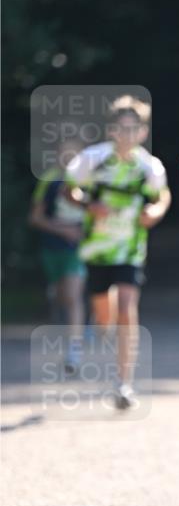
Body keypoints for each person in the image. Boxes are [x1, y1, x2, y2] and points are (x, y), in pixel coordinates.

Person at [65, 95, 171, 409]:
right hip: (97, 251)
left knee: (127, 310)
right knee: (105, 317)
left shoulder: (148, 166)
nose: (126, 135)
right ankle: (100, 345)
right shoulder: (91, 159)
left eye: (132, 129)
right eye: (120, 128)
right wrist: (88, 204)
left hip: (130, 250)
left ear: (142, 132)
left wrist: (155, 212)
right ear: (111, 130)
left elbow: (162, 197)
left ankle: (123, 384)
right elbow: (68, 190)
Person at [28, 136, 87, 373]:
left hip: (78, 250)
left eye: (74, 155)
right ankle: (58, 304)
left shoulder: (89, 181)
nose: (70, 159)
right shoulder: (49, 181)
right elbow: (35, 218)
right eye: (65, 154)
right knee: (62, 296)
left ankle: (74, 349)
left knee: (73, 296)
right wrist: (64, 230)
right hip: (52, 248)